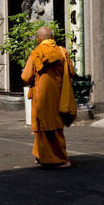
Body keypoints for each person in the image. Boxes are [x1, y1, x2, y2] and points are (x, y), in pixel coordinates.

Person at [21, 26, 75, 168]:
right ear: (52, 38)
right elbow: (71, 71)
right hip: (58, 96)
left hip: (42, 97)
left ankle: (62, 160)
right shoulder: (62, 52)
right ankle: (43, 157)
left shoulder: (36, 52)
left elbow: (26, 77)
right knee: (56, 127)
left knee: (42, 126)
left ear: (39, 38)